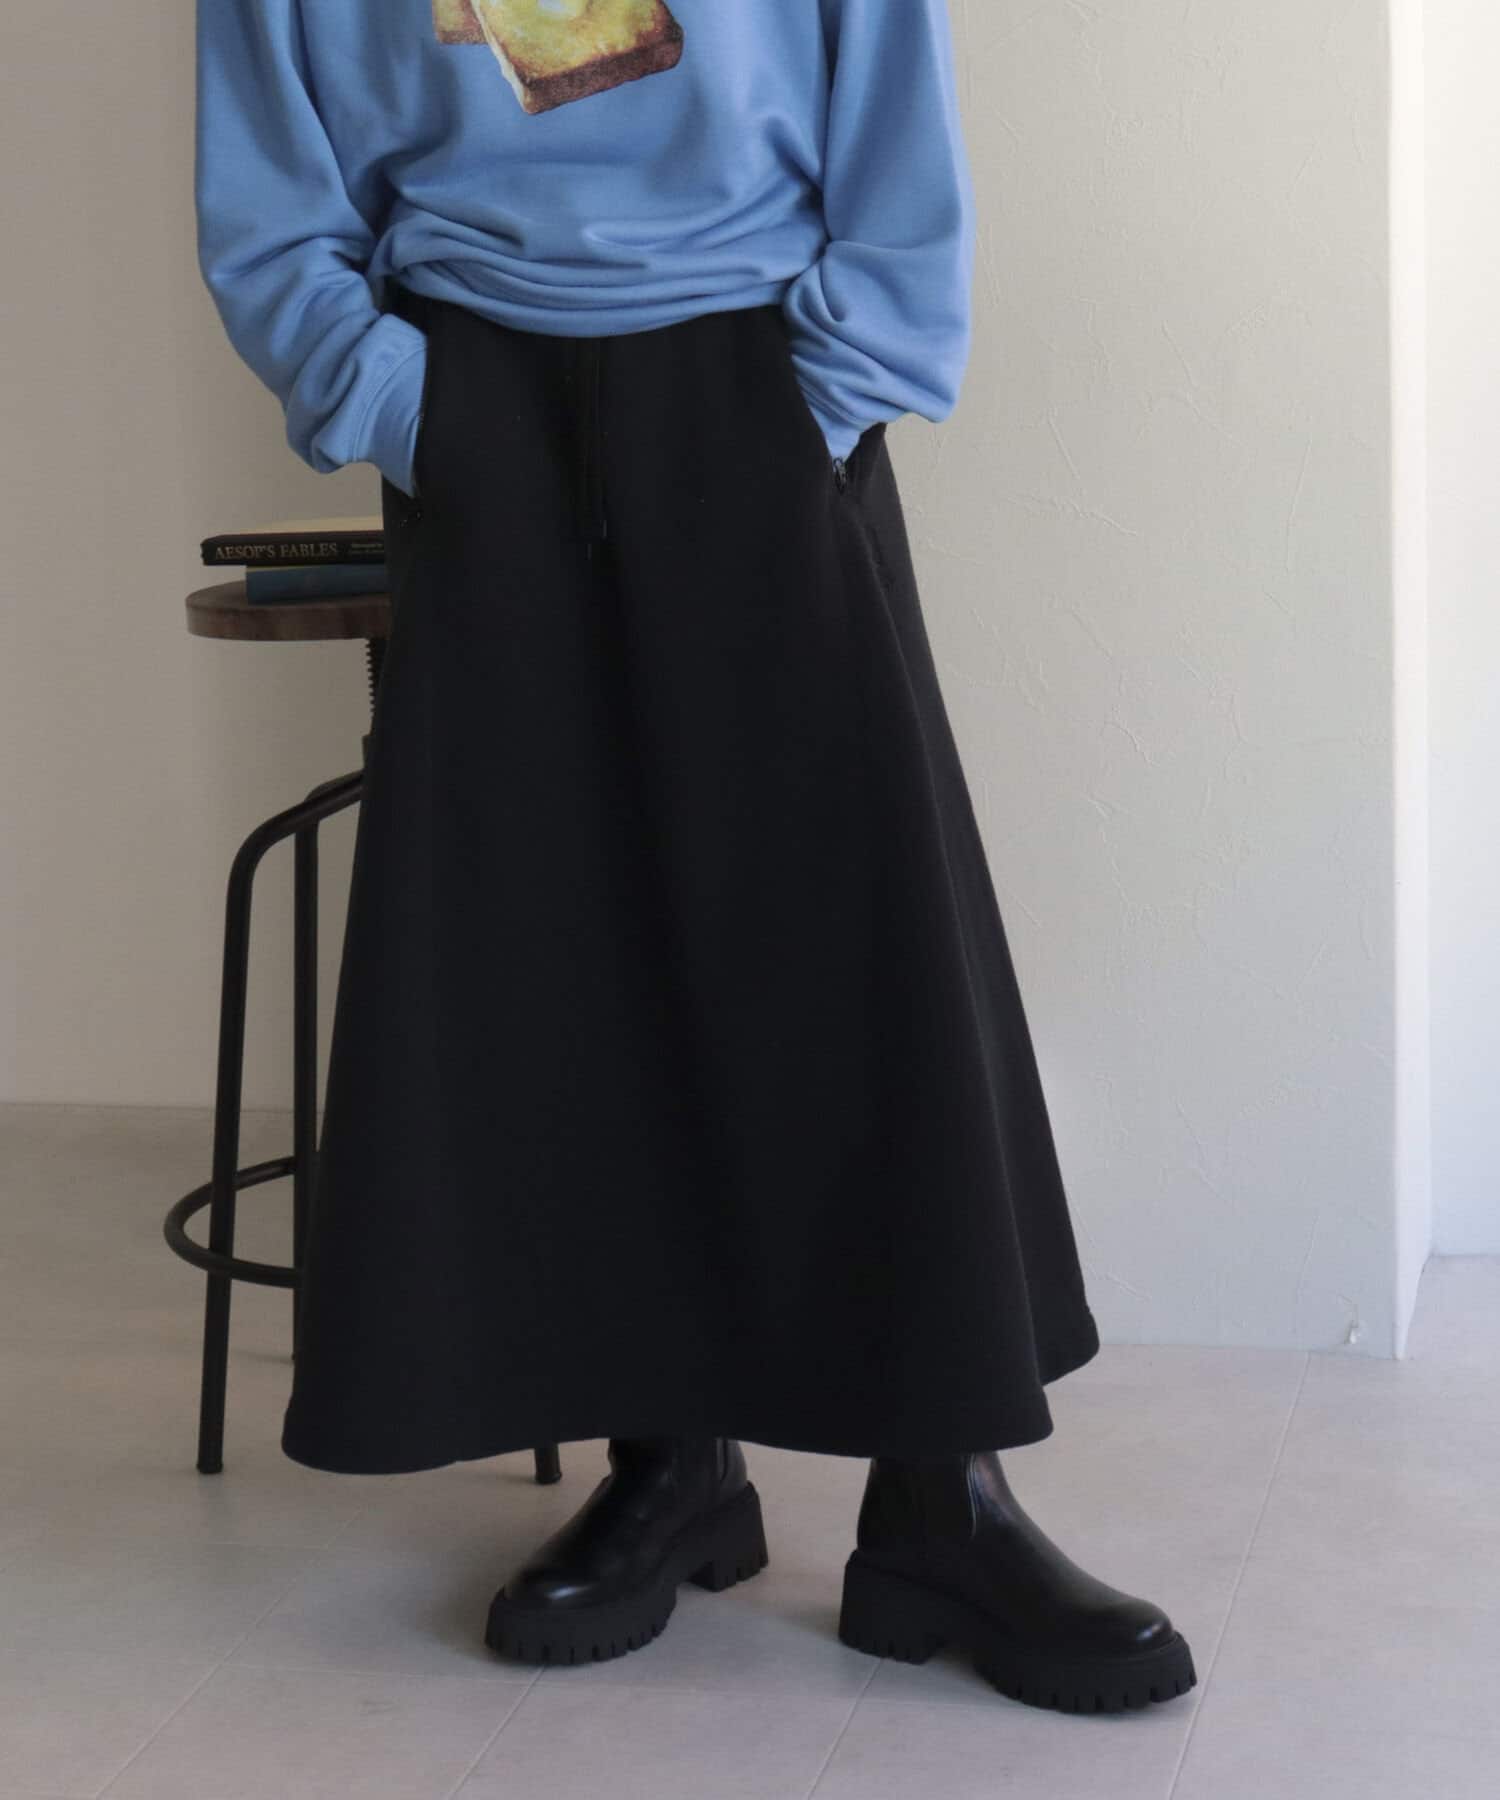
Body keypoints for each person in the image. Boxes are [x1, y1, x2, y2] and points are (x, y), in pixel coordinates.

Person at [195, 0, 1195, 1711]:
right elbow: (268, 195)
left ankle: (941, 1497)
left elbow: (893, 126)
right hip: (472, 396)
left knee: (862, 946)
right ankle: (668, 1461)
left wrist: (824, 395)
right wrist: (413, 410)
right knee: (550, 955)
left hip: (759, 381)